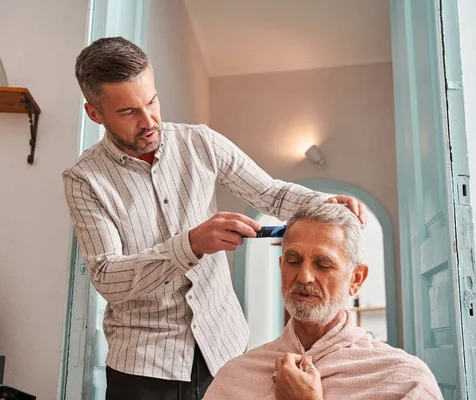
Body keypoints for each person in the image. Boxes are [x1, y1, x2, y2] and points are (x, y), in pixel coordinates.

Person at [62, 36, 367, 400]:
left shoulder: (201, 143)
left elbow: (269, 192)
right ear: (95, 114)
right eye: (128, 112)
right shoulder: (84, 180)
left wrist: (325, 202)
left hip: (224, 350)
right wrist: (189, 245)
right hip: (142, 368)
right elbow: (107, 278)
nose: (148, 121)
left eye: (152, 101)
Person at [204, 203, 442, 400]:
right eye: (293, 261)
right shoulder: (236, 376)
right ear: (281, 267)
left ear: (356, 279)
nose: (304, 276)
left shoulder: (403, 379)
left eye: (323, 265)